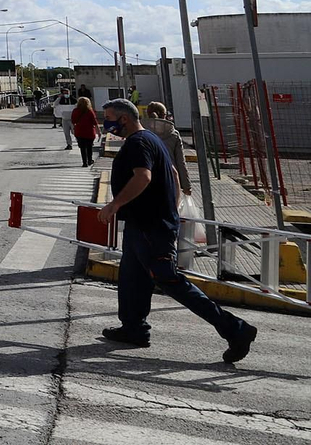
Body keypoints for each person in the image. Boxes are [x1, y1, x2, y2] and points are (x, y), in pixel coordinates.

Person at [96, 98, 256, 362]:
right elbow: (170, 171)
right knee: (132, 278)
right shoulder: (151, 139)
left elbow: (143, 176)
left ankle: (236, 329)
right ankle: (133, 328)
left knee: (170, 281)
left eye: (109, 118)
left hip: (151, 227)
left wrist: (115, 204)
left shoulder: (138, 143)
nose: (107, 124)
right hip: (144, 225)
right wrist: (173, 205)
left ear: (123, 119)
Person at [144, 102, 193, 196]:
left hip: (147, 181)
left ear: (148, 114)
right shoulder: (173, 134)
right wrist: (186, 186)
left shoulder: (141, 133)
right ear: (164, 115)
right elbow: (180, 162)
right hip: (170, 180)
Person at [70, 96, 99, 167]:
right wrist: (99, 132)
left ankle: (84, 162)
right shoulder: (90, 111)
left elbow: (73, 121)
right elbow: (95, 122)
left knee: (82, 148)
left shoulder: (75, 111)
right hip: (89, 131)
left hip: (79, 131)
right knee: (89, 147)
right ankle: (89, 160)